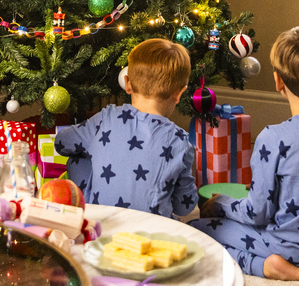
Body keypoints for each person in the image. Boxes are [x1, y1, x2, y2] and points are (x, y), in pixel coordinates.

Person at [192, 27, 299, 282]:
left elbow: (257, 213)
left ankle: (267, 267)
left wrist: (220, 203)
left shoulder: (273, 137)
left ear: (278, 81)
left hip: (291, 250)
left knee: (195, 233)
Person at [54, 39, 197, 217]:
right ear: (179, 94)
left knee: (79, 157)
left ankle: (89, 209)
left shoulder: (105, 119)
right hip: (153, 233)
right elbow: (185, 206)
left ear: (127, 83)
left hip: (101, 223)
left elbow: (61, 143)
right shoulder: (181, 141)